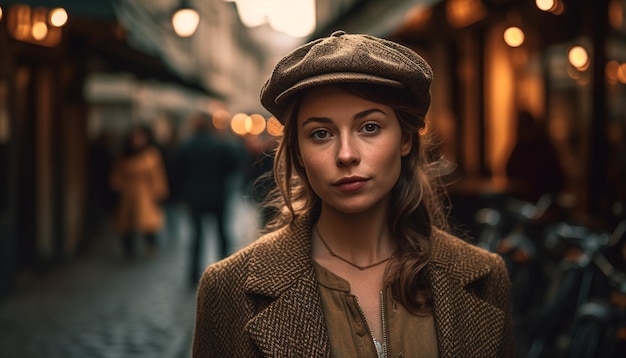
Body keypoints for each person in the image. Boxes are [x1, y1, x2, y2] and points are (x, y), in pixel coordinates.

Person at [193, 31, 513, 357]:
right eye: (320, 133)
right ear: (299, 153)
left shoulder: (484, 277)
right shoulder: (228, 288)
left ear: (405, 139)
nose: (346, 154)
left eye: (369, 127)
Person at [173, 112, 240, 285]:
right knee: (221, 234)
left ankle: (193, 275)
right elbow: (233, 166)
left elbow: (177, 173)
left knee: (196, 236)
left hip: (195, 197)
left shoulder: (186, 146)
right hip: (217, 195)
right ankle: (225, 271)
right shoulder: (219, 144)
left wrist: (181, 195)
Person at [110, 124, 169, 259]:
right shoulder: (125, 156)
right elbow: (116, 175)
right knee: (127, 224)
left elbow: (157, 175)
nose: (137, 140)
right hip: (128, 194)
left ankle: (151, 246)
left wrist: (159, 192)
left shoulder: (151, 155)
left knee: (148, 223)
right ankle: (129, 250)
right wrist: (117, 187)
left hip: (145, 193)